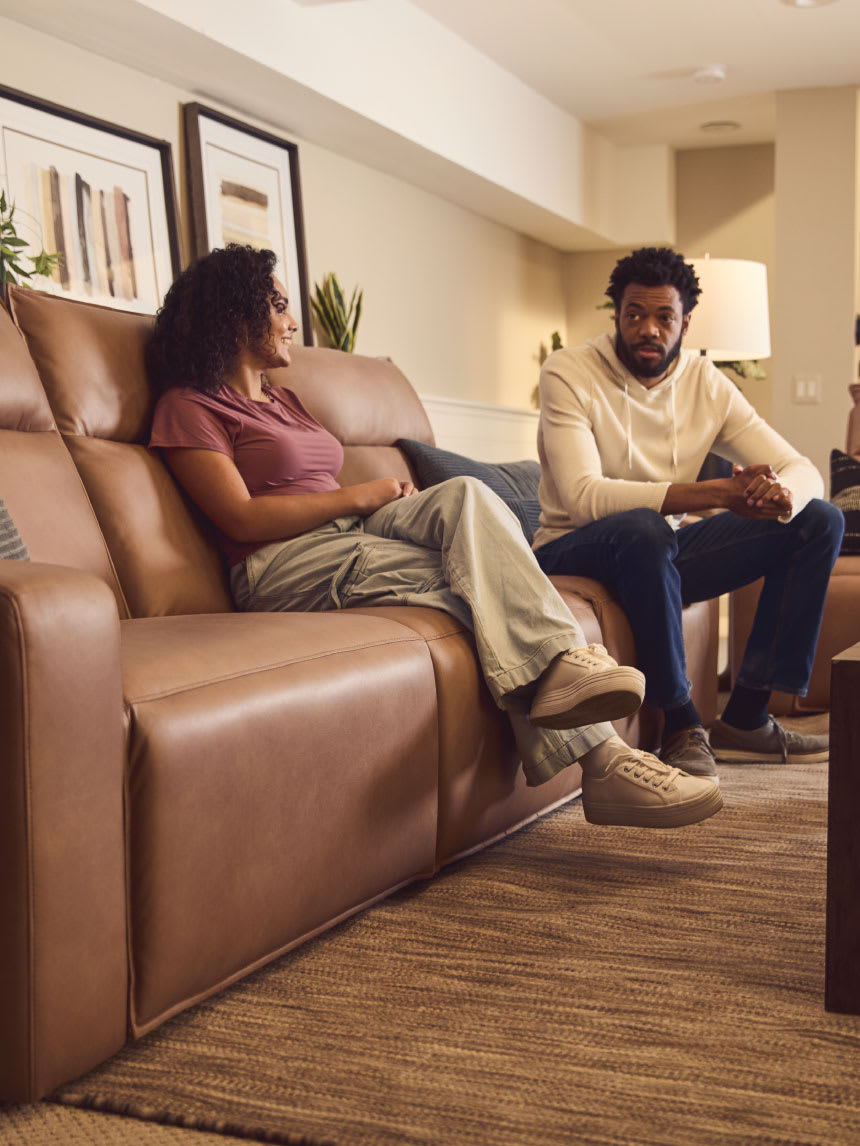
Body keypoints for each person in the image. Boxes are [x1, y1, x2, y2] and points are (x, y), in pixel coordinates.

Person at [146, 244, 722, 829]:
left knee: (466, 493)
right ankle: (606, 761)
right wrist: (360, 495)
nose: (292, 321)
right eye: (278, 307)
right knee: (477, 593)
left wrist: (382, 501)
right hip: (284, 561)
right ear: (235, 314)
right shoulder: (189, 406)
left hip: (350, 531)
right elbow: (241, 518)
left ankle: (569, 668)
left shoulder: (282, 399)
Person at [533, 246, 844, 779]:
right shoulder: (569, 371)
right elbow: (583, 496)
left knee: (818, 520)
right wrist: (717, 493)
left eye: (664, 317)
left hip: (654, 552)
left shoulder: (707, 383)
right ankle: (681, 724)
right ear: (616, 314)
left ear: (686, 322)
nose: (648, 329)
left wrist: (781, 495)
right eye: (634, 314)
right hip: (572, 549)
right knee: (646, 527)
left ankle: (747, 718)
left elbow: (802, 468)